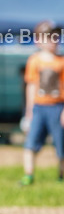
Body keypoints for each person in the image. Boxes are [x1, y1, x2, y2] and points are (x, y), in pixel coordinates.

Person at [20, 20, 64, 185]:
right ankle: (28, 175)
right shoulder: (34, 61)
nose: (53, 40)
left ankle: (61, 175)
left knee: (61, 145)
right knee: (30, 143)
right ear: (39, 40)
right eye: (49, 37)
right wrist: (28, 112)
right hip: (39, 107)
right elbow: (31, 87)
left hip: (58, 107)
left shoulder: (62, 61)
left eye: (56, 37)